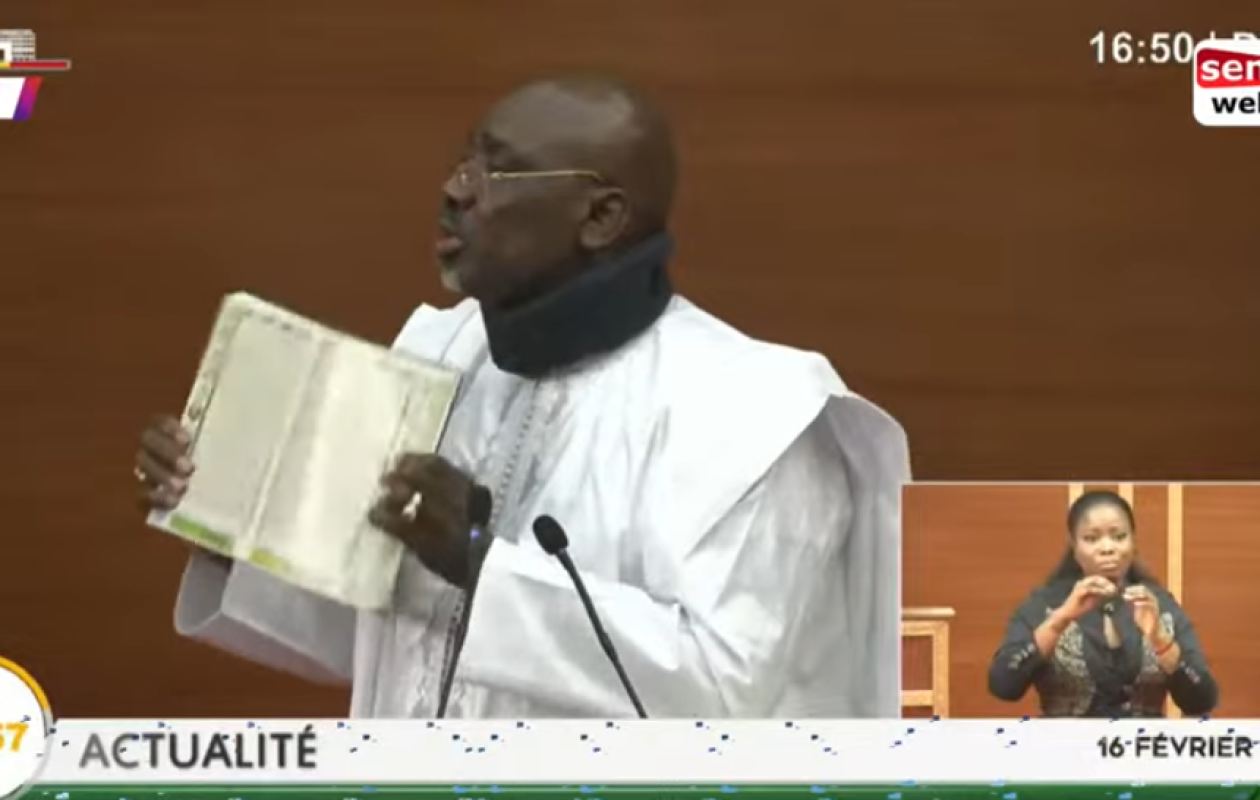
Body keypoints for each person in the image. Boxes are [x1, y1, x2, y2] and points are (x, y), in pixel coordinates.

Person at [134, 75, 911, 719]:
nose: (454, 190)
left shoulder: (755, 414)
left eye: (493, 173)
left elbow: (727, 693)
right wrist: (229, 520)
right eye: (461, 161)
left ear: (601, 218)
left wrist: (481, 566)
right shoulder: (440, 353)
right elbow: (383, 635)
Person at [988, 490, 1217, 717]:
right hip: (1063, 740)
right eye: (1091, 538)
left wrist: (1160, 639)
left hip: (1143, 740)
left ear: (1133, 542)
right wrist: (1060, 620)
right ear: (1074, 547)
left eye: (1119, 537)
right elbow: (1004, 686)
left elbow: (1202, 700)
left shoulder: (1159, 605)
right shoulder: (1044, 605)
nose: (1108, 548)